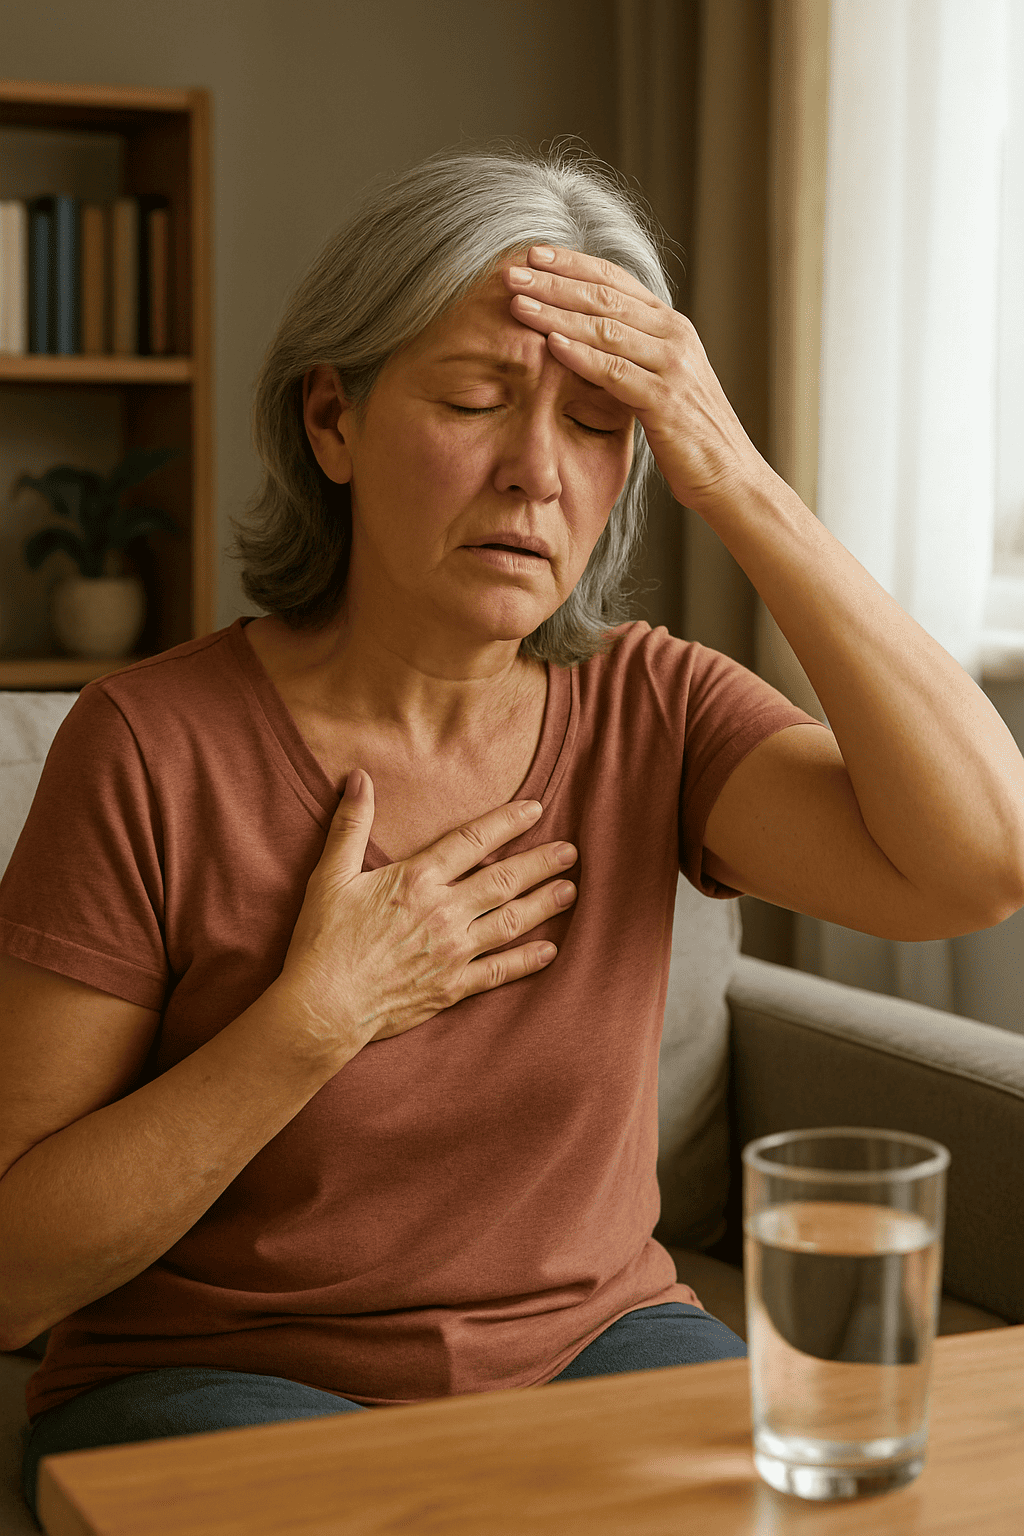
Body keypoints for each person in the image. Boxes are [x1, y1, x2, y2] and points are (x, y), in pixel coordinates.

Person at [4, 142, 1023, 1524]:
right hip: (219, 1372)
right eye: (476, 400)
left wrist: (739, 482)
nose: (537, 472)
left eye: (604, 425)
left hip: (600, 1347)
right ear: (333, 422)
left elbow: (980, 863)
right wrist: (318, 1019)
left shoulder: (651, 709)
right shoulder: (147, 746)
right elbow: (16, 1270)